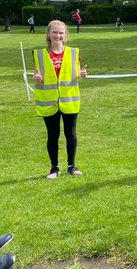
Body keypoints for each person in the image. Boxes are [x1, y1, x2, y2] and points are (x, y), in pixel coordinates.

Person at [33, 20, 87, 179]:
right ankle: (54, 168)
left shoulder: (73, 52)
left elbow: (75, 75)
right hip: (49, 101)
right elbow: (39, 76)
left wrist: (82, 75)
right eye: (55, 32)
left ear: (65, 35)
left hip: (69, 100)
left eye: (61, 32)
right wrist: (37, 78)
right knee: (53, 135)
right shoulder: (40, 54)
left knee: (71, 134)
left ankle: (72, 166)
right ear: (49, 34)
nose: (58, 35)